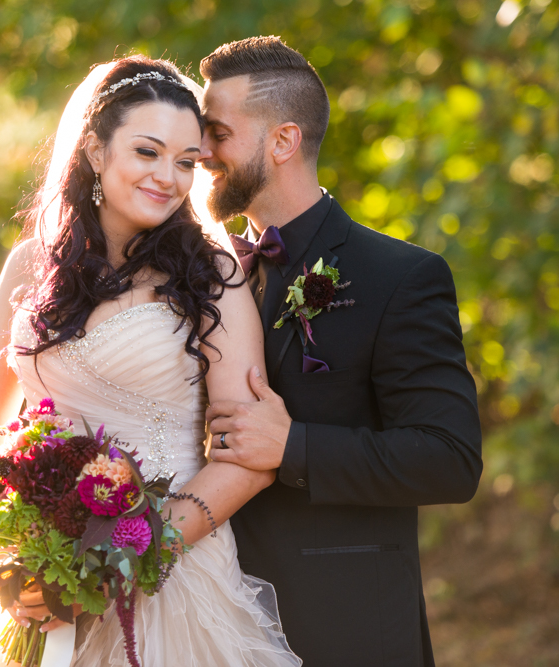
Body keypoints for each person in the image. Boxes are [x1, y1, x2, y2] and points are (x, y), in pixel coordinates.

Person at [0, 56, 301, 667]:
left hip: (170, 576)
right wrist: (17, 558)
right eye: (147, 152)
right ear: (95, 151)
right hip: (42, 573)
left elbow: (248, 459)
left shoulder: (213, 275)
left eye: (186, 162)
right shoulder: (29, 265)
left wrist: (124, 561)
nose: (169, 176)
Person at [198, 37, 483, 666]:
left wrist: (293, 447)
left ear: (283, 141)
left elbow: (451, 458)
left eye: (217, 133)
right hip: (212, 613)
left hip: (343, 624)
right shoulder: (202, 276)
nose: (200, 152)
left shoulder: (400, 277)